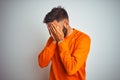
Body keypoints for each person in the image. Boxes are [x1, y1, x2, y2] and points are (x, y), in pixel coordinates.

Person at [38, 6, 91, 80]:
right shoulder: (52, 39)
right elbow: (42, 63)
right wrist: (54, 41)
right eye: (49, 29)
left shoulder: (83, 39)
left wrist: (60, 42)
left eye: (54, 28)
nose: (51, 32)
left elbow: (71, 69)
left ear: (66, 23)